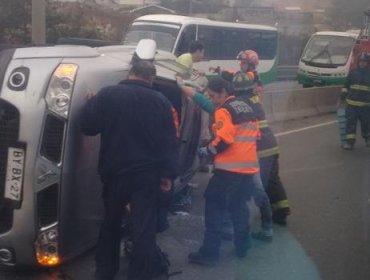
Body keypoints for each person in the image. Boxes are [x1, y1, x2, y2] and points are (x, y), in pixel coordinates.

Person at [79, 60, 179, 280]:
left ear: (131, 72)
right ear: (150, 78)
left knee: (110, 224)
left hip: (114, 174)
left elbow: (88, 127)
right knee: (143, 229)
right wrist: (168, 174)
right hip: (147, 176)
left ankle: (105, 273)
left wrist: (90, 104)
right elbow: (168, 141)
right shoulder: (161, 101)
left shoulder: (107, 95)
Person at [184, 77, 261, 266]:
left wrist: (208, 149)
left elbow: (225, 139)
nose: (212, 100)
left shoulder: (224, 110)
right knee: (238, 208)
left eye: (213, 96)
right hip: (248, 168)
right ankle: (243, 245)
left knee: (214, 208)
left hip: (229, 170)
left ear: (223, 93)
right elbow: (256, 136)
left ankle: (209, 254)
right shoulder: (247, 107)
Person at [341, 52, 370, 150]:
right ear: (358, 62)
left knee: (366, 124)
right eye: (361, 61)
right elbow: (346, 85)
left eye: (364, 61)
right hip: (352, 105)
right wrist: (343, 95)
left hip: (365, 106)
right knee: (350, 124)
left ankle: (367, 139)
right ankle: (350, 143)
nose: (362, 63)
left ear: (367, 62)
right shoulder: (353, 72)